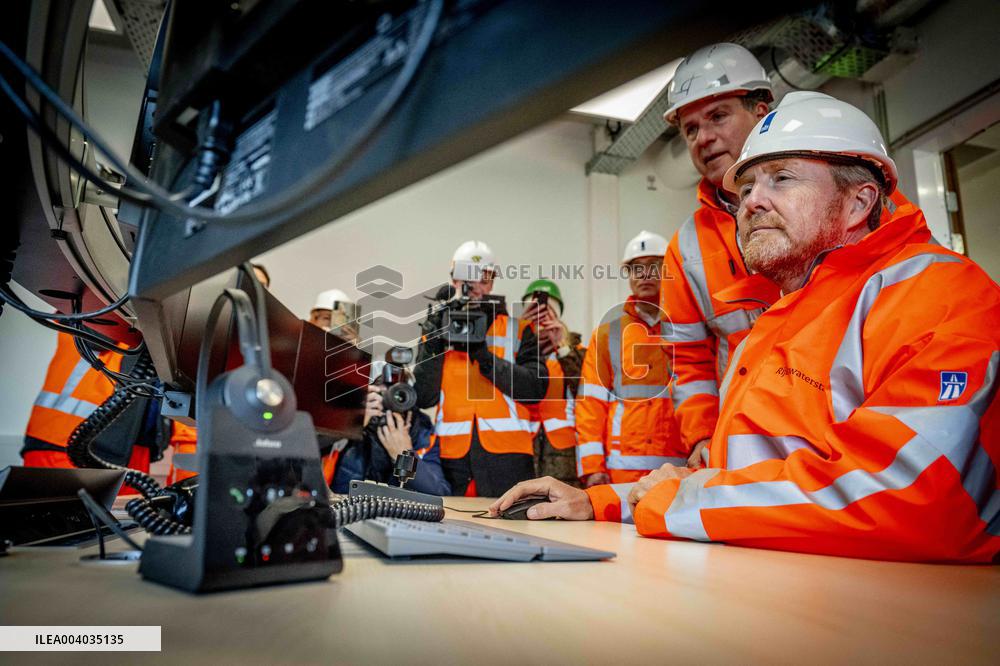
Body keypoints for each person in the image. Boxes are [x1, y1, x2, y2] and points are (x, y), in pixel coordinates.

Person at [490, 92, 999, 564]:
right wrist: (597, 502)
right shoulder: (775, 323)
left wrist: (673, 503)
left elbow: (909, 496)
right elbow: (740, 481)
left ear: (859, 202)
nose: (752, 201)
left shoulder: (940, 296)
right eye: (747, 186)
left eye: (781, 178)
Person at [659, 43, 783, 468]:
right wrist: (703, 438)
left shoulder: (834, 194)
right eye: (691, 129)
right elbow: (688, 361)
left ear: (763, 111)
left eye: (718, 116)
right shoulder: (687, 247)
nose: (704, 138)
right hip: (741, 449)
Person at [413, 240, 547, 496]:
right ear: (454, 281)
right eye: (467, 278)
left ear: (492, 281)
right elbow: (423, 396)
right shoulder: (439, 329)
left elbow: (535, 389)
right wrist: (432, 344)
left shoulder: (518, 329)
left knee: (513, 532)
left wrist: (483, 357)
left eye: (482, 278)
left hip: (509, 458)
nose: (474, 287)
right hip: (452, 457)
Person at [575, 231, 685, 488]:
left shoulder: (689, 329)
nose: (644, 275)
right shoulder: (608, 333)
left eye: (653, 267)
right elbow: (591, 404)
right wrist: (592, 468)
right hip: (620, 472)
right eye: (636, 268)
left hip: (679, 469)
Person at [331, 383, 450, 496]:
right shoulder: (346, 419)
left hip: (396, 516)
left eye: (399, 394)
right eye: (380, 396)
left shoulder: (418, 431)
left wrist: (404, 455)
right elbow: (316, 468)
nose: (390, 402)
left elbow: (440, 494)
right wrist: (350, 427)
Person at [521, 279, 585, 486]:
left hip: (563, 454)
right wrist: (519, 333)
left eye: (547, 312)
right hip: (522, 448)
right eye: (535, 312)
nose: (541, 318)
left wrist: (562, 347)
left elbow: (583, 390)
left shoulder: (578, 352)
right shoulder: (513, 348)